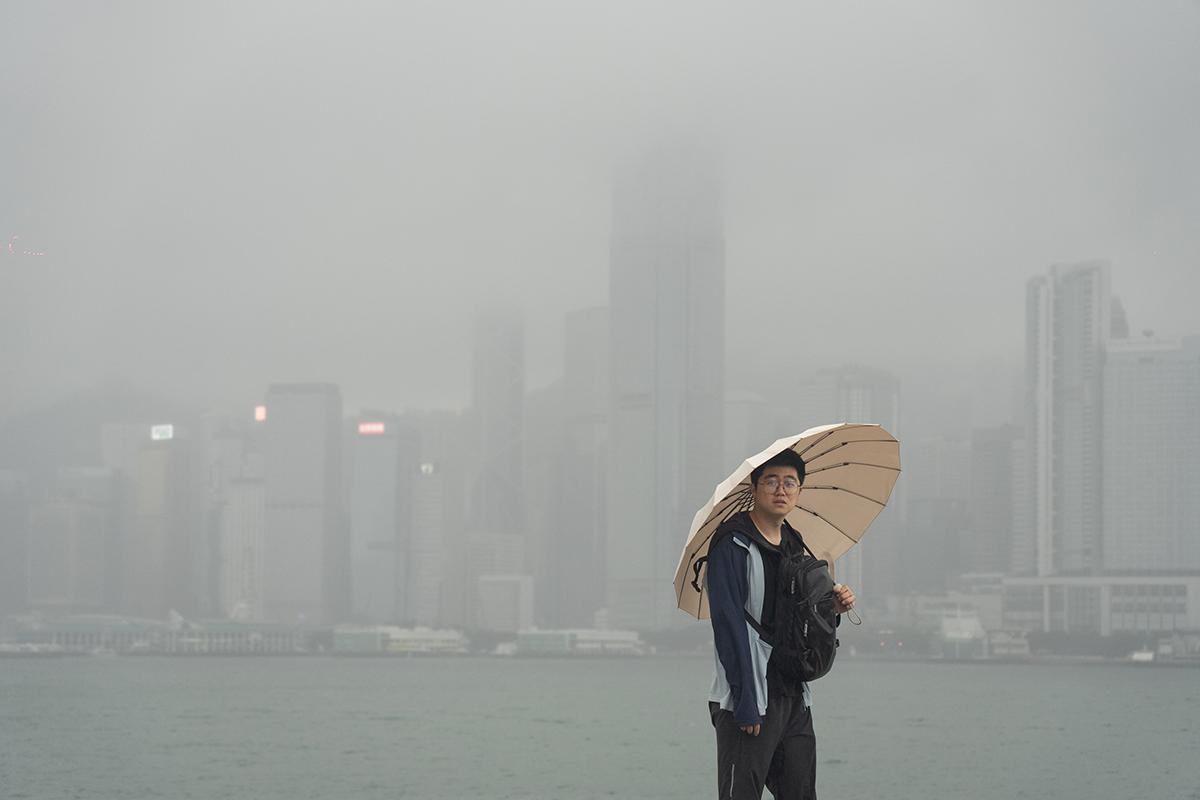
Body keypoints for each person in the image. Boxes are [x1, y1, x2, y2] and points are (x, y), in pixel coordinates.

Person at [705, 449, 855, 799]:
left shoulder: (795, 546)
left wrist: (833, 608)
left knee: (801, 792)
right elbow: (729, 626)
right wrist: (745, 702)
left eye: (790, 482)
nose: (781, 490)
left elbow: (803, 617)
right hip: (747, 696)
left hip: (794, 695)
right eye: (771, 481)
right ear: (754, 489)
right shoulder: (733, 544)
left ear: (799, 492)